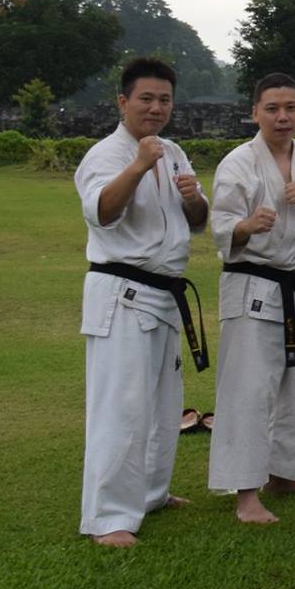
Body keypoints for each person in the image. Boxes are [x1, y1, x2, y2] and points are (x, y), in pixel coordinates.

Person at [74, 57, 209, 546]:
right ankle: (108, 518)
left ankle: (152, 493)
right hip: (122, 293)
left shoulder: (173, 152)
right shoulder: (105, 155)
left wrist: (192, 197)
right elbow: (102, 212)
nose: (156, 108)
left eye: (164, 100)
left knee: (162, 406)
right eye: (146, 98)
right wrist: (137, 165)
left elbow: (198, 220)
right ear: (123, 102)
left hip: (164, 293)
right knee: (121, 408)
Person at [208, 72, 295, 525]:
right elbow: (221, 227)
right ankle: (245, 493)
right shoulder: (239, 162)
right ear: (255, 111)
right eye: (272, 109)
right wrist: (246, 226)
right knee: (248, 390)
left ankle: (285, 473)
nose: (282, 117)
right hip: (252, 287)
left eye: (291, 108)